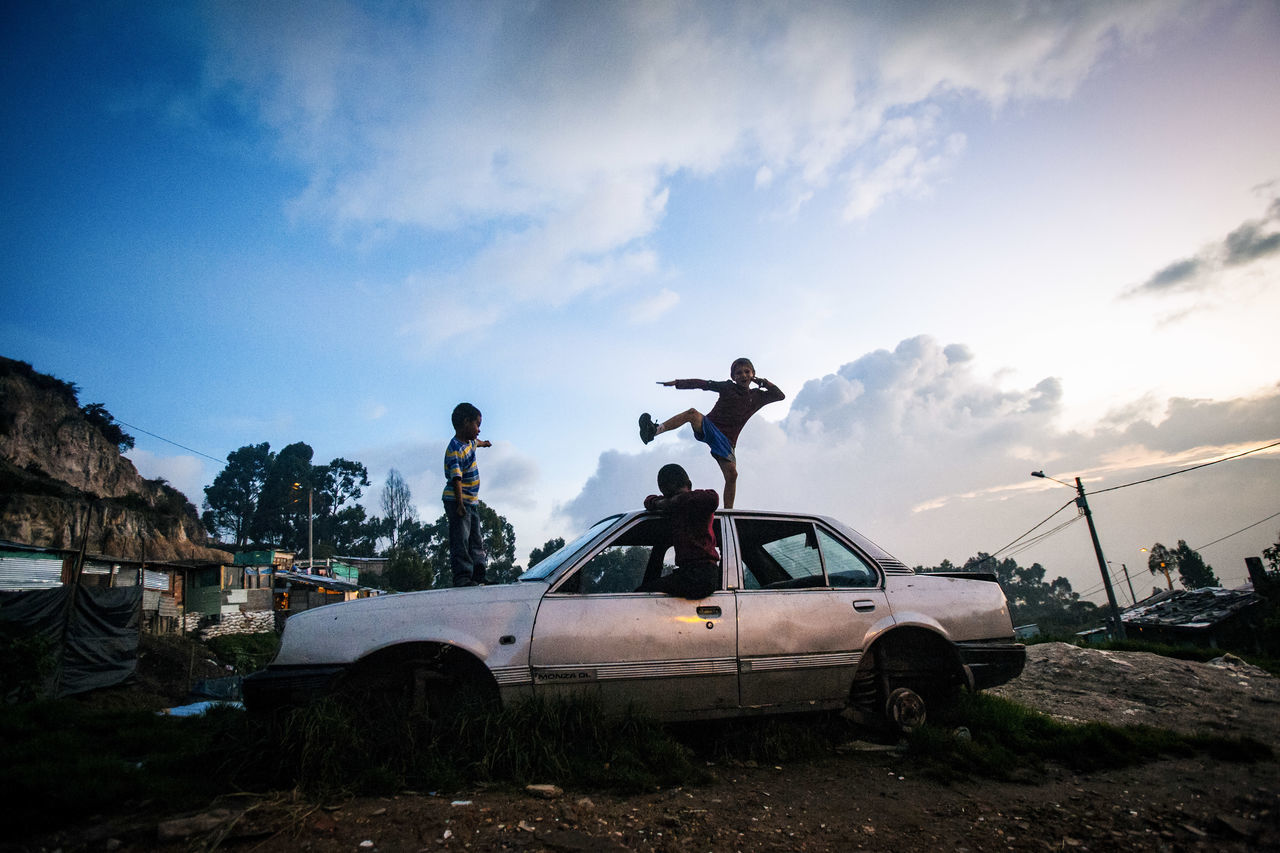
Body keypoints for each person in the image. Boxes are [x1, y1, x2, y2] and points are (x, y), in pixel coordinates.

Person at [638, 357, 784, 508]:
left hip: (727, 441)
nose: (743, 376)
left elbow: (780, 395)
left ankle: (729, 512)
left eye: (747, 372)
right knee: (692, 414)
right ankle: (653, 431)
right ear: (733, 377)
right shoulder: (728, 387)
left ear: (753, 374)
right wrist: (678, 383)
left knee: (732, 475)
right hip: (710, 426)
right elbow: (703, 384)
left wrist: (763, 382)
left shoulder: (757, 396)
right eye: (738, 373)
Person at [637, 463, 721, 599]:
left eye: (676, 494)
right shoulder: (674, 506)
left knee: (643, 595)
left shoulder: (700, 502)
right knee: (646, 592)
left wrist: (674, 501)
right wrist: (662, 503)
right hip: (689, 572)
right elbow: (649, 500)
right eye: (669, 496)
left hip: (702, 573)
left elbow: (713, 498)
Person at [442, 402, 492, 587]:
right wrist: (460, 504)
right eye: (477, 425)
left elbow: (476, 443)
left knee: (476, 538)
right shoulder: (455, 449)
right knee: (461, 539)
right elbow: (457, 479)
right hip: (458, 501)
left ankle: (479, 574)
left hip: (472, 501)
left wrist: (484, 443)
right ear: (465, 422)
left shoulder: (470, 442)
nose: (479, 430)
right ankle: (462, 576)